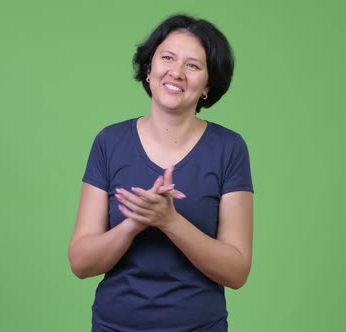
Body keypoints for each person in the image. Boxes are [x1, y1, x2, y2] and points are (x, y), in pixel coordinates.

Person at [68, 14, 254, 332]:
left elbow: (236, 272)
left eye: (193, 65)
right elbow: (81, 263)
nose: (176, 72)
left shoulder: (229, 148)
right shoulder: (109, 142)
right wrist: (134, 224)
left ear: (208, 85)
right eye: (167, 58)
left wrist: (170, 222)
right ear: (150, 68)